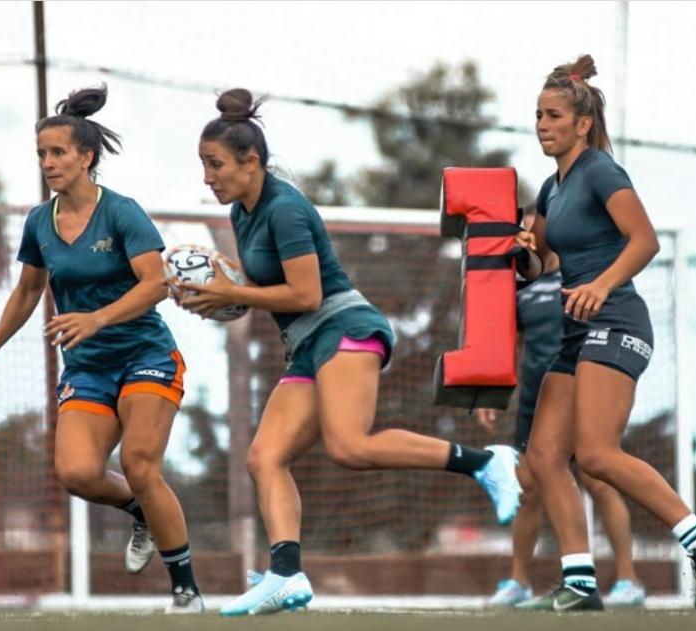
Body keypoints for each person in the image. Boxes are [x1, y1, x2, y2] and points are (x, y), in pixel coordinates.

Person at [174, 88, 521, 617]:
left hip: (345, 328)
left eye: (215, 164)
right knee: (265, 457)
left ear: (252, 162)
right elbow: (263, 286)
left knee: (350, 446)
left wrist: (232, 293)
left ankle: (485, 462)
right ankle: (286, 574)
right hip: (308, 344)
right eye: (203, 164)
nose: (207, 176)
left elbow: (307, 294)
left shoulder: (285, 209)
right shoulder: (244, 213)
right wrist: (219, 295)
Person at [0, 86, 204, 614]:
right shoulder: (39, 222)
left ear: (86, 156)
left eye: (58, 153)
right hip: (89, 368)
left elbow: (156, 283)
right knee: (76, 473)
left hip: (145, 354)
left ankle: (185, 588)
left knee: (140, 462)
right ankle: (140, 512)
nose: (48, 163)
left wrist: (96, 318)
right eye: (41, 154)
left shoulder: (122, 213)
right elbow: (29, 290)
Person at [511, 55, 696, 611]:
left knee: (595, 454)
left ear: (582, 124)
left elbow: (644, 241)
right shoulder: (551, 188)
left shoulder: (601, 172)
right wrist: (524, 255)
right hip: (575, 330)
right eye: (538, 114)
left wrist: (602, 285)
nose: (542, 124)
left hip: (615, 320)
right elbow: (539, 264)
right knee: (542, 457)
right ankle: (581, 582)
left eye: (553, 115)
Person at [478, 210, 646, 608]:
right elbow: (510, 345)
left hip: (581, 386)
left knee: (597, 476)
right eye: (526, 228)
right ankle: (518, 581)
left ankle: (628, 580)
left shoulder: (578, 276)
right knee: (528, 485)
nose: (531, 233)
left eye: (538, 226)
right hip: (537, 397)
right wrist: (491, 394)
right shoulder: (522, 286)